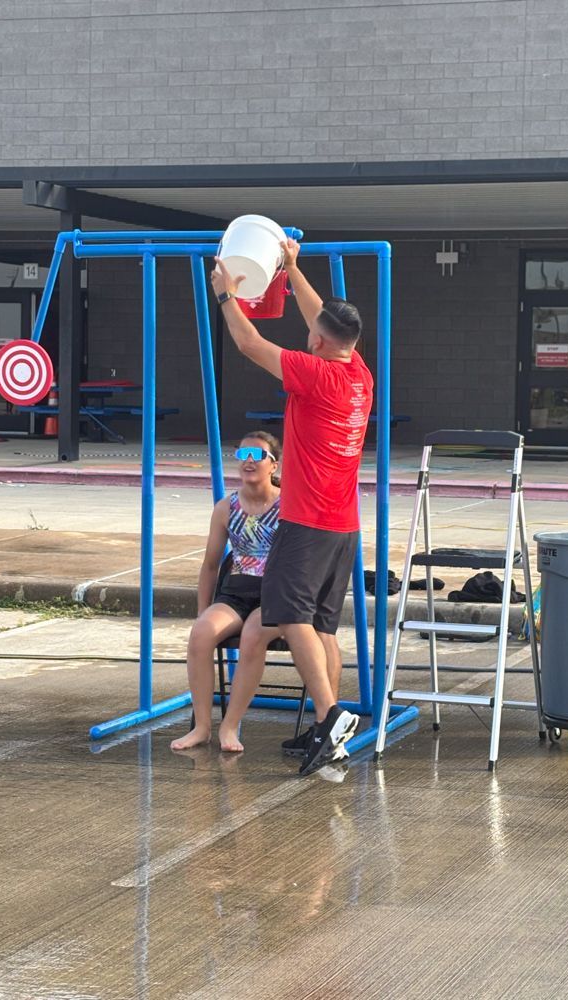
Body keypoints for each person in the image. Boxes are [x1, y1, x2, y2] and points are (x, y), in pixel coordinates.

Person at [210, 239, 373, 777]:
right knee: (322, 628)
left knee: (289, 614)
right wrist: (295, 270)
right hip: (344, 525)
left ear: (319, 342)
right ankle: (331, 733)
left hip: (307, 523)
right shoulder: (357, 375)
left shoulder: (317, 374)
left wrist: (226, 296)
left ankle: (331, 717)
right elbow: (320, 318)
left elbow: (251, 344)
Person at [171, 431, 283, 754]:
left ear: (273, 465)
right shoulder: (226, 508)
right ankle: (202, 727)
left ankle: (230, 725)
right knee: (201, 633)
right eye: (242, 454)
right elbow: (209, 566)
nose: (248, 461)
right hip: (236, 592)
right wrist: (203, 611)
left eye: (257, 455)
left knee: (252, 636)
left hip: (273, 594)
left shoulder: (288, 506)